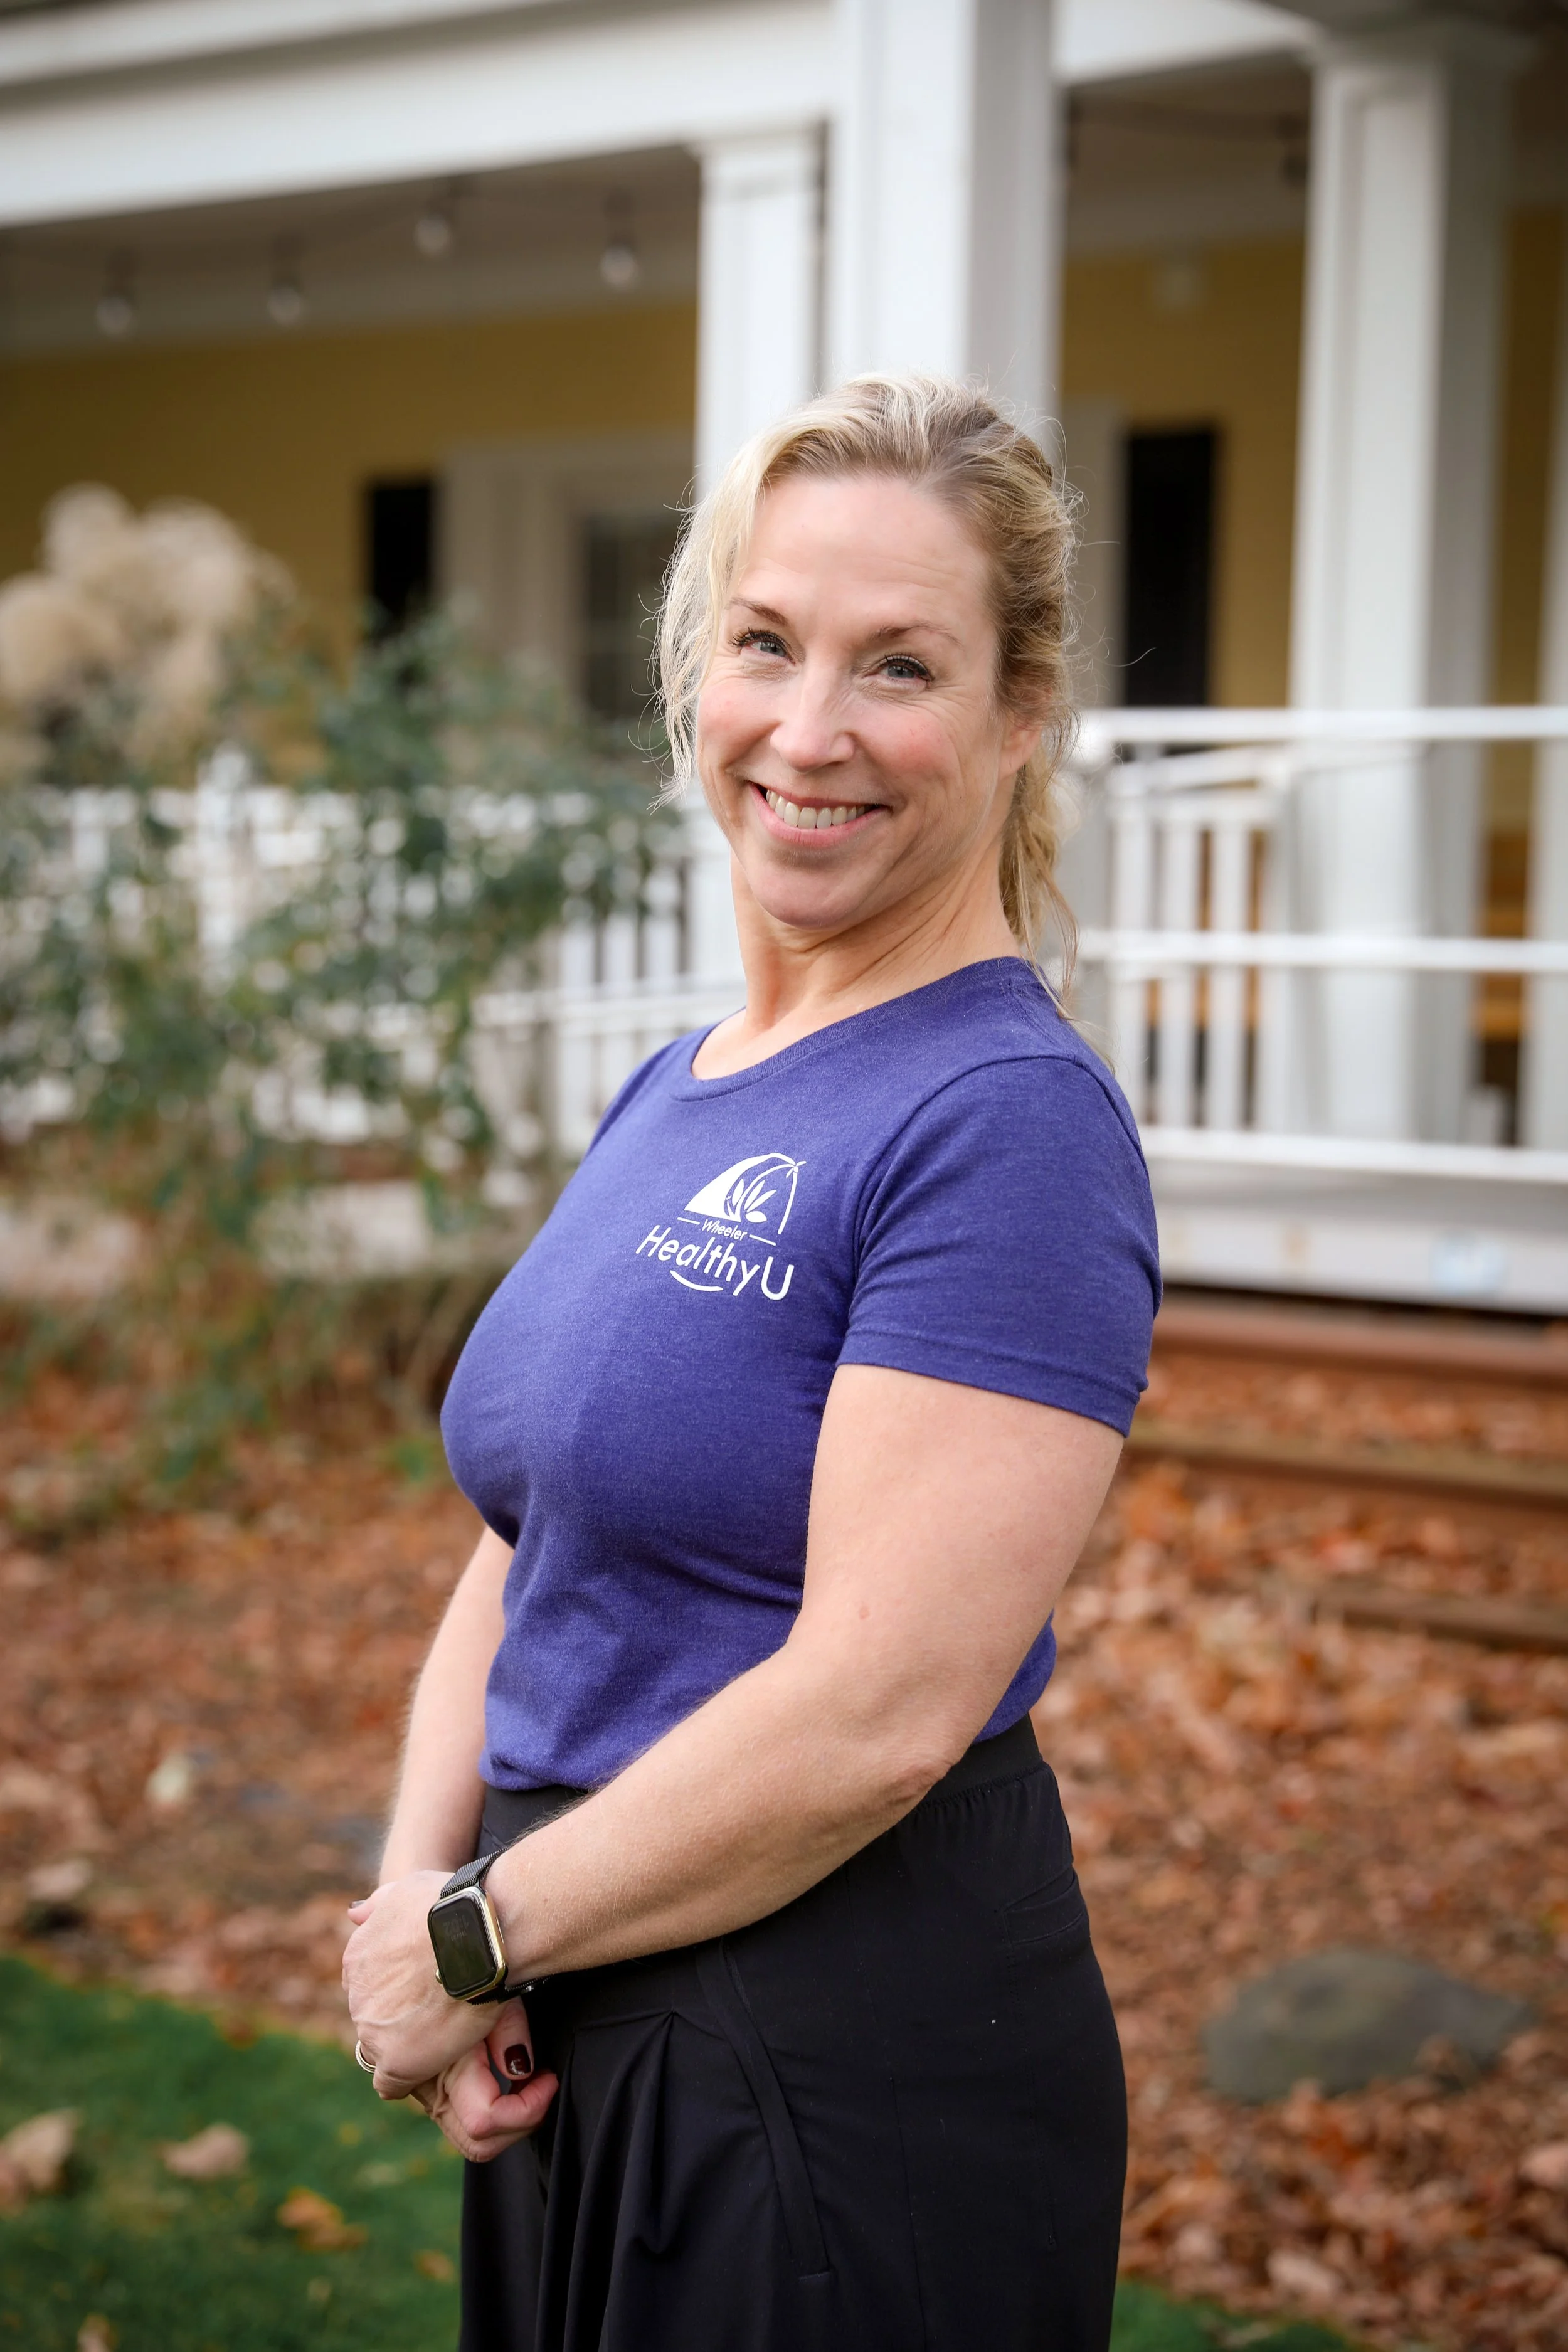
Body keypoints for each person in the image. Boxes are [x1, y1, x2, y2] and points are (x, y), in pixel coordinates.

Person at [344, 372, 1160, 2352]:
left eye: (901, 666)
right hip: (576, 2003)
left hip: (831, 2063)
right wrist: (416, 1906)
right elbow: (523, 1528)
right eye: (766, 643)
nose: (811, 732)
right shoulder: (678, 1086)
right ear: (694, 670)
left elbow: (885, 1702)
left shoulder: (1004, 1119)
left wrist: (474, 1934)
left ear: (1015, 714)